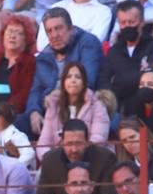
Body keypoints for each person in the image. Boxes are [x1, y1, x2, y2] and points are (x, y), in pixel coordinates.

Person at [24, 8, 104, 137]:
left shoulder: (87, 43)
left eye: (59, 28)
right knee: (19, 124)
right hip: (48, 110)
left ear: (70, 29)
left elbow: (88, 80)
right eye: (49, 31)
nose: (54, 35)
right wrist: (34, 111)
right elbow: (36, 90)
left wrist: (60, 94)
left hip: (78, 107)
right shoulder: (44, 56)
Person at [102, 1, 153, 114]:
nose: (127, 26)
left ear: (141, 22)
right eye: (123, 22)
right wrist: (138, 76)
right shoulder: (114, 51)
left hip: (147, 111)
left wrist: (118, 81)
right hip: (118, 110)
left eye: (131, 22)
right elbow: (103, 82)